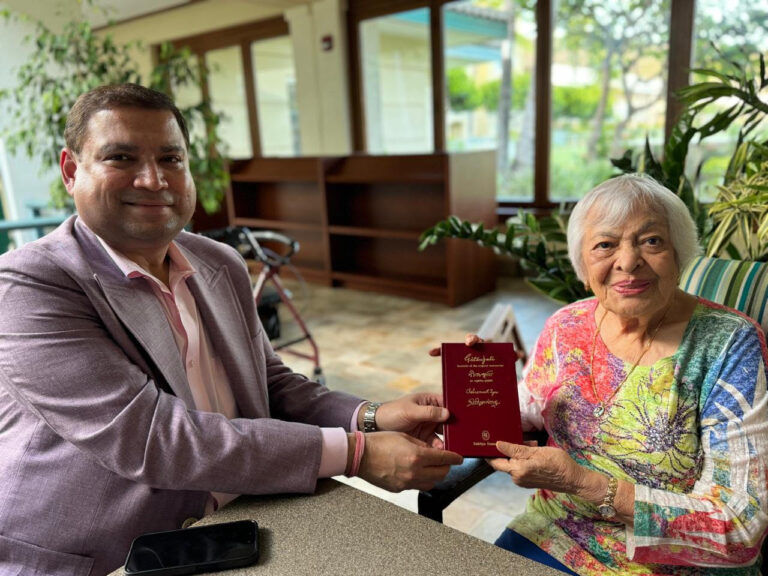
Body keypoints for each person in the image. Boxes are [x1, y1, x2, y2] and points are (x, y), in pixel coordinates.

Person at [0, 83, 463, 576]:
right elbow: (155, 439)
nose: (154, 179)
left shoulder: (218, 262)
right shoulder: (28, 285)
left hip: (245, 526)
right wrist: (356, 454)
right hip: (104, 554)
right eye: (121, 157)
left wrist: (372, 416)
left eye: (171, 159)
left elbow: (272, 384)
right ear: (71, 171)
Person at [479, 174, 768, 574]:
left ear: (680, 255)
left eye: (651, 241)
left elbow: (741, 528)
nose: (628, 261)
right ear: (583, 265)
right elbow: (528, 408)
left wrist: (586, 483)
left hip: (676, 565)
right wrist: (474, 388)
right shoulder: (567, 326)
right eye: (605, 244)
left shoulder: (729, 344)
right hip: (555, 533)